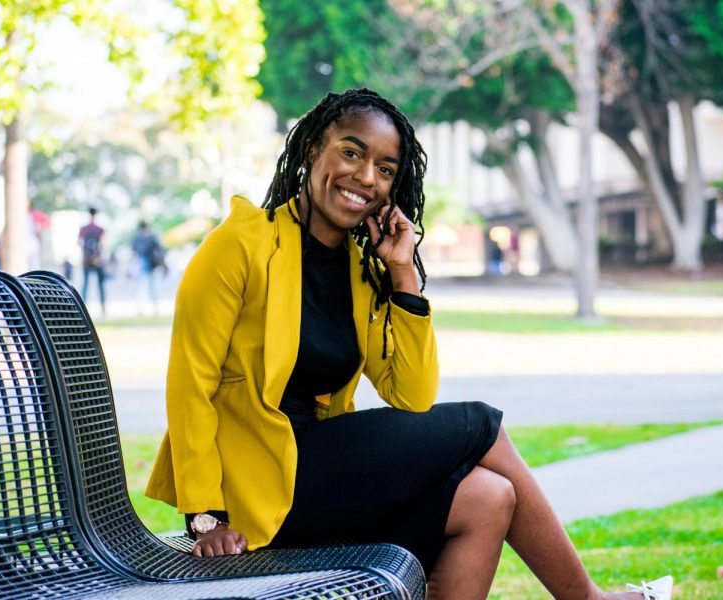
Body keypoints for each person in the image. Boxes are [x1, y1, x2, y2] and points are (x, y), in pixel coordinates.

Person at [145, 88, 672, 600]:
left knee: (490, 498)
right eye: (351, 152)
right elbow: (191, 382)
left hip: (316, 473)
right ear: (313, 150)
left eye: (386, 168)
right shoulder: (240, 243)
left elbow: (412, 394)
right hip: (257, 486)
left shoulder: (359, 268)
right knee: (481, 424)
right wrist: (205, 516)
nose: (366, 177)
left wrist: (402, 273)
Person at [130, 220, 165, 314]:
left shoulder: (137, 237)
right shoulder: (152, 236)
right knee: (153, 287)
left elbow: (133, 250)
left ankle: (140, 309)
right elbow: (160, 249)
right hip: (152, 264)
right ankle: (155, 308)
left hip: (142, 262)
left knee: (141, 287)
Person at [79, 207, 107, 314]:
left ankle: (83, 309)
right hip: (97, 260)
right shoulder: (100, 229)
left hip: (86, 260)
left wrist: (85, 256)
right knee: (100, 285)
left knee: (85, 284)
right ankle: (103, 308)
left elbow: (80, 243)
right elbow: (103, 244)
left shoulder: (84, 228)